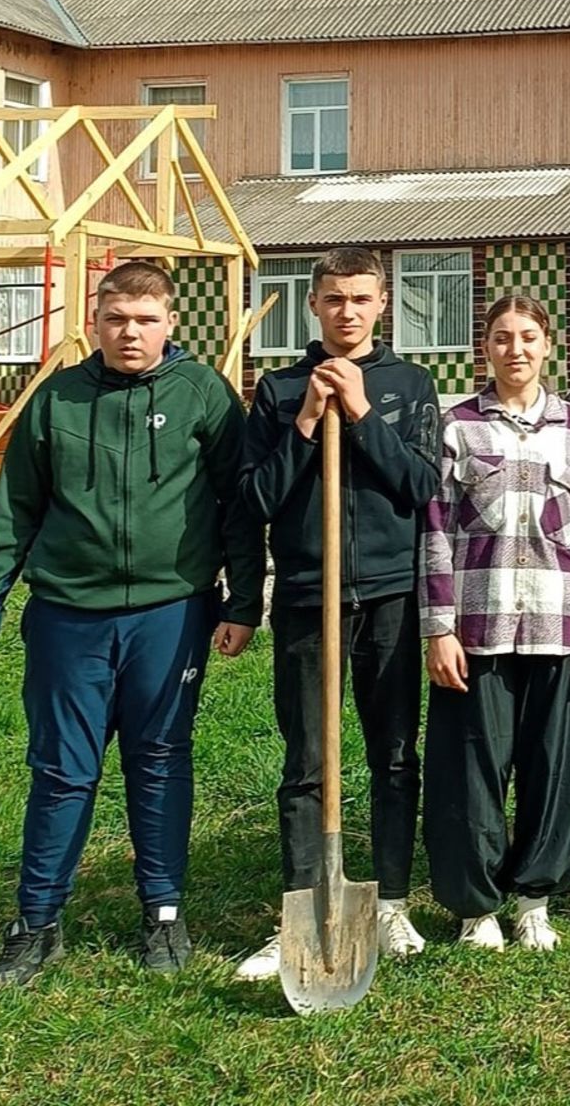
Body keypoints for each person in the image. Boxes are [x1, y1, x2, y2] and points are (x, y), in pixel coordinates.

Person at [0, 261, 263, 987]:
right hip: (69, 616)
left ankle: (162, 913)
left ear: (171, 323)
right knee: (62, 771)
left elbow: (239, 505)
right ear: (95, 323)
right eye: (115, 319)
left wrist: (242, 601)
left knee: (161, 759)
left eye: (144, 319)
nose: (129, 332)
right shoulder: (56, 402)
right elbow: (13, 512)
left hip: (171, 613)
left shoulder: (204, 396)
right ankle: (36, 922)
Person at [235, 246, 441, 980]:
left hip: (387, 592)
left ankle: (387, 899)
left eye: (360, 298)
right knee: (304, 763)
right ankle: (301, 900)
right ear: (314, 305)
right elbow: (254, 499)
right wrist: (306, 423)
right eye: (333, 299)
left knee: (392, 753)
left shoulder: (409, 385)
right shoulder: (278, 389)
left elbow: (422, 485)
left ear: (382, 304)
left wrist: (357, 416)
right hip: (303, 594)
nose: (346, 311)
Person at [421, 295, 570, 950]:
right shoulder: (457, 429)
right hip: (478, 626)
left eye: (528, 337)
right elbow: (437, 535)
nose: (516, 350)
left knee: (553, 765)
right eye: (502, 338)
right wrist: (438, 628)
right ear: (486, 349)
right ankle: (476, 906)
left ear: (548, 345)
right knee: (471, 768)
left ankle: (534, 896)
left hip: (560, 626)